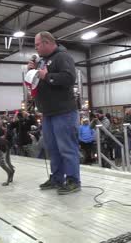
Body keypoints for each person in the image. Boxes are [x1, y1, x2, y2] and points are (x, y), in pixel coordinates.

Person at [32, 31, 80, 195]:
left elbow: (69, 78)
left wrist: (47, 76)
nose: (36, 48)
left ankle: (73, 180)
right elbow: (40, 81)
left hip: (63, 112)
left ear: (46, 43)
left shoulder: (62, 57)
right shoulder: (42, 61)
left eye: (37, 44)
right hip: (48, 113)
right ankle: (57, 178)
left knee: (67, 148)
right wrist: (33, 72)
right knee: (52, 148)